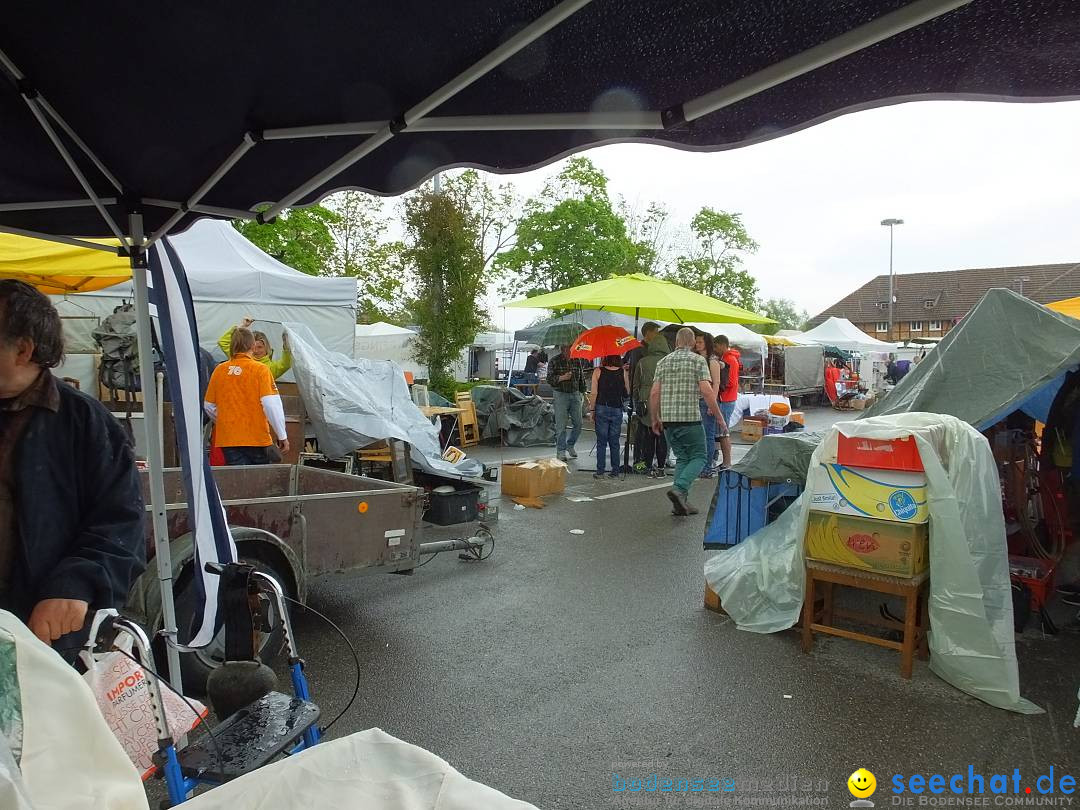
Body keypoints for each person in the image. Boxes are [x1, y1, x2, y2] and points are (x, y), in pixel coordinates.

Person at [0, 280, 145, 650]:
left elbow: (119, 521)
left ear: (23, 349)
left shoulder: (86, 422)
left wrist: (74, 584)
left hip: (38, 634)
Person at [649, 327, 725, 516]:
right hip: (689, 419)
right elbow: (707, 391)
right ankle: (680, 488)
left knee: (683, 457)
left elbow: (654, 392)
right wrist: (719, 417)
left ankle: (680, 502)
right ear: (692, 343)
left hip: (668, 421)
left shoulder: (663, 362)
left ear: (676, 342)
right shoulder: (698, 361)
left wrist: (655, 418)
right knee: (699, 456)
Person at [205, 327, 290, 465]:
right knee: (258, 482)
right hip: (256, 438)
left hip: (228, 439)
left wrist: (226, 422)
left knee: (237, 480)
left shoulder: (219, 370)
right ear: (252, 346)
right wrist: (282, 435)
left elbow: (208, 405)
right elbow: (271, 404)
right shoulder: (260, 370)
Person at [632, 323, 669, 478]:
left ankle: (647, 466)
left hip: (646, 400)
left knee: (648, 436)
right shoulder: (669, 362)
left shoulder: (643, 361)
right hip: (665, 400)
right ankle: (661, 468)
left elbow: (635, 385)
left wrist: (637, 400)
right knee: (662, 436)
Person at [586, 354, 629, 479]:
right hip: (617, 409)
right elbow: (626, 393)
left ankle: (600, 471)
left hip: (601, 408)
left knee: (601, 442)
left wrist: (592, 410)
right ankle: (615, 471)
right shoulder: (623, 372)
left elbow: (594, 393)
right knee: (614, 442)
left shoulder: (598, 371)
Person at [547, 344, 587, 461]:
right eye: (569, 348)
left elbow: (581, 378)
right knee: (561, 425)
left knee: (579, 423)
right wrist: (562, 378)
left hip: (575, 394)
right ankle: (561, 451)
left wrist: (583, 393)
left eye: (572, 347)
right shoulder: (554, 361)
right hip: (560, 395)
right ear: (563, 349)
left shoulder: (576, 360)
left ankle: (570, 445)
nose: (571, 350)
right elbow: (549, 379)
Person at [218, 316, 292, 379]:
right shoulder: (239, 359)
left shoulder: (271, 368)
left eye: (260, 347)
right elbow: (223, 342)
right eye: (252, 347)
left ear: (267, 348)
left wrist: (286, 344)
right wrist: (242, 326)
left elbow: (286, 364)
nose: (256, 351)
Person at [695, 331, 722, 478]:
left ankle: (706, 467)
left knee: (708, 435)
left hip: (707, 401)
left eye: (700, 342)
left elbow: (716, 383)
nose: (697, 344)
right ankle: (702, 465)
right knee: (701, 435)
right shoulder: (699, 358)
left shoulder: (712, 360)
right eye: (696, 342)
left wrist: (712, 402)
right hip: (698, 400)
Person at [713, 335, 740, 470]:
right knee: (721, 432)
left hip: (726, 400)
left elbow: (731, 382)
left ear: (723, 345)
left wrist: (717, 384)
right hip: (726, 399)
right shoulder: (726, 359)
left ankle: (727, 462)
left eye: (716, 346)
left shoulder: (730, 360)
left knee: (723, 433)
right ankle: (723, 461)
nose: (715, 349)